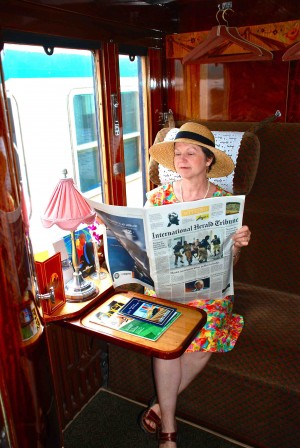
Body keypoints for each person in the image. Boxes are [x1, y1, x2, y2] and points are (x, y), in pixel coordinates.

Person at [139, 122, 251, 447]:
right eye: (177, 152)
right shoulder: (156, 201)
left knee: (207, 340)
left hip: (208, 290)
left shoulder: (226, 203)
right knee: (167, 340)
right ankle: (169, 429)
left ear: (209, 161)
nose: (182, 158)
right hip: (165, 289)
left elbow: (231, 265)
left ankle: (161, 407)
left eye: (191, 152)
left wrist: (238, 245)